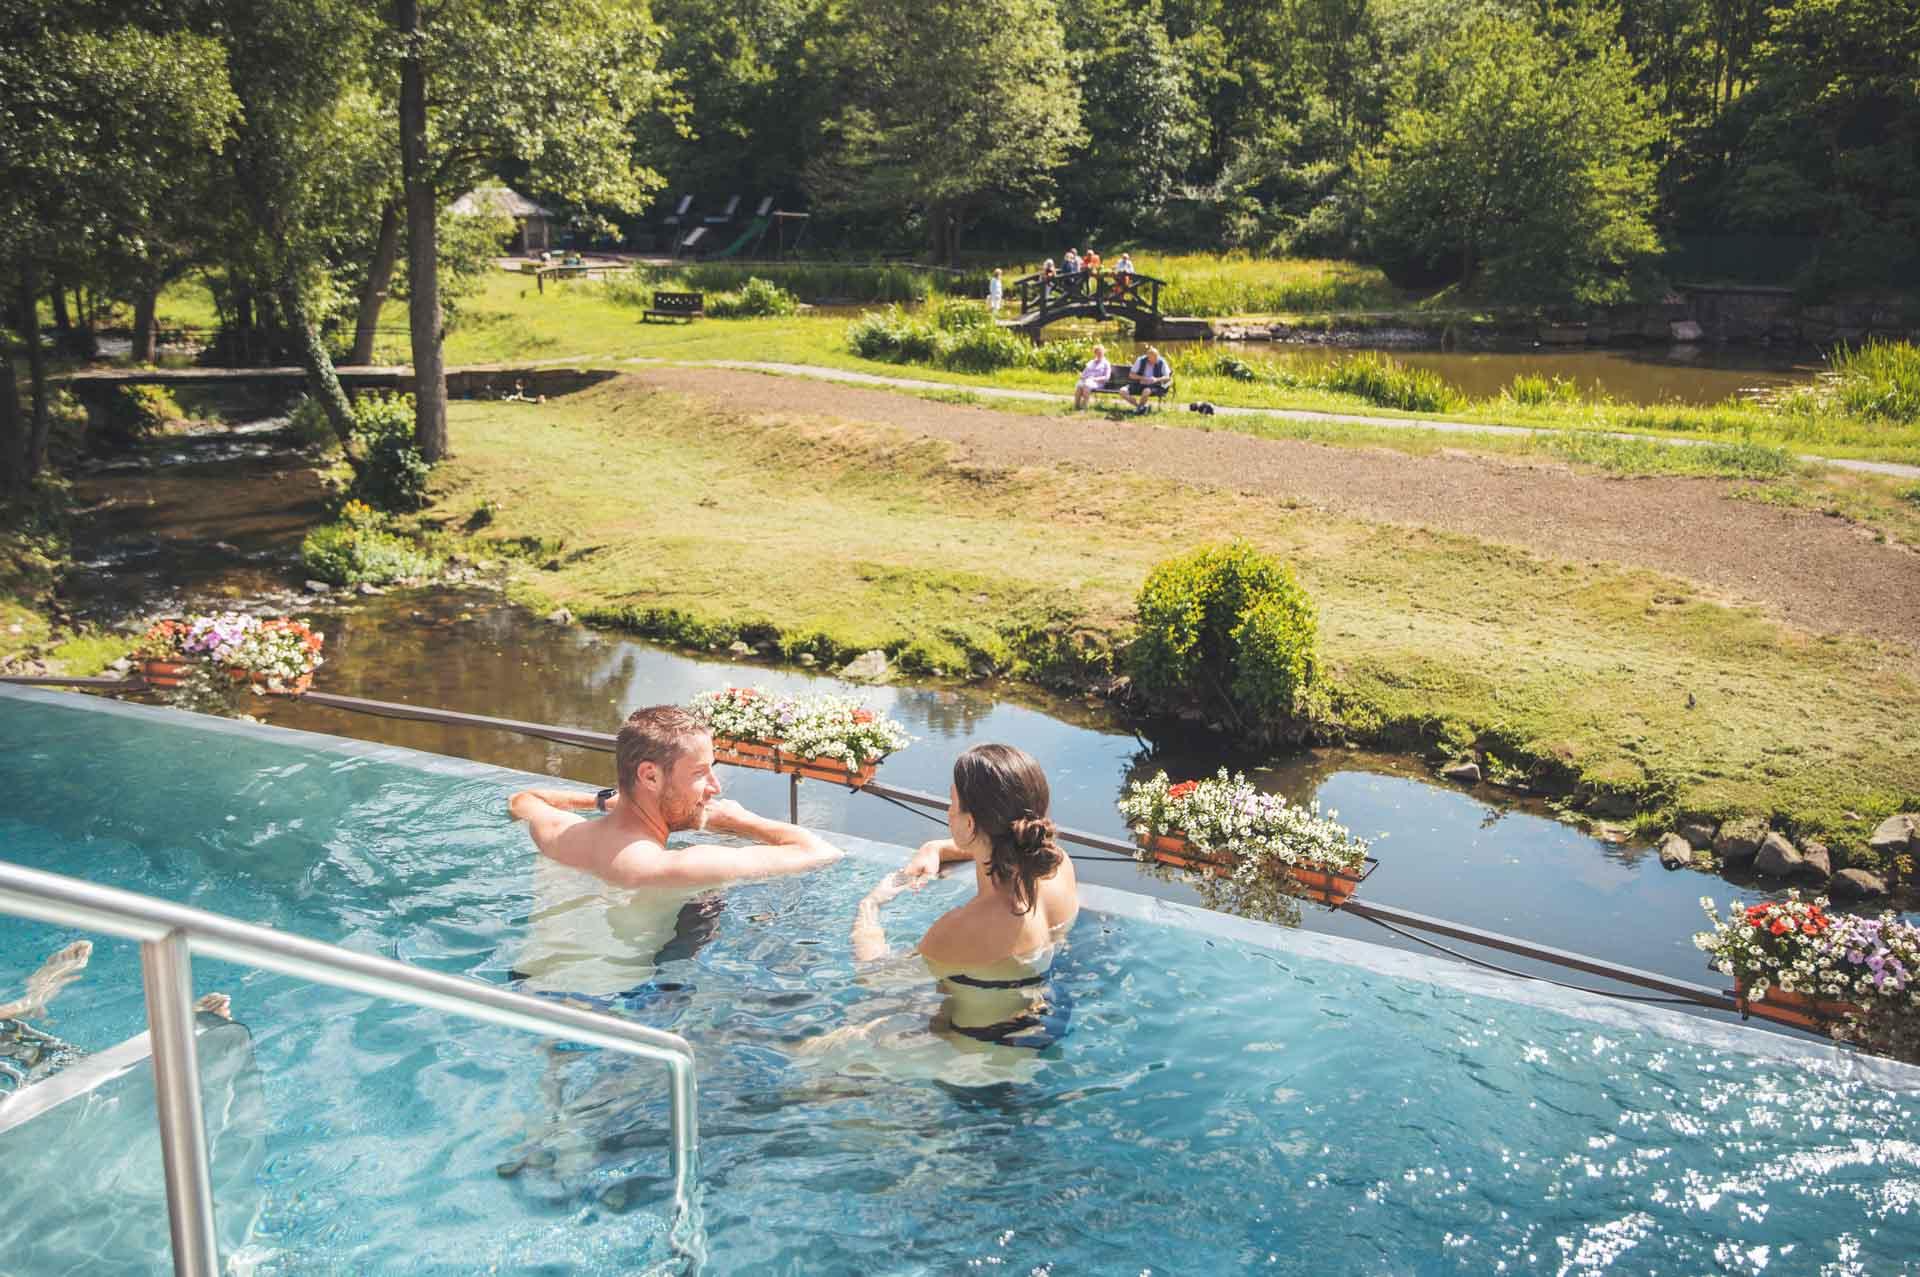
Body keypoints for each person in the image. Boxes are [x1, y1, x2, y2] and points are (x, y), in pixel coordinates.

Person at [507, 705, 843, 999]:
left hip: (525, 989)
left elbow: (524, 800)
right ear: (649, 776)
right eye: (700, 773)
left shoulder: (561, 833)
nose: (715, 787)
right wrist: (742, 821)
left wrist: (609, 800)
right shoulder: (677, 866)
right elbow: (820, 851)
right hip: (602, 1010)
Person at [849, 744, 1079, 1047]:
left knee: (816, 1052)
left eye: (952, 802)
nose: (947, 810)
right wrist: (937, 848)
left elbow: (876, 978)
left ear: (970, 823)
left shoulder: (962, 927)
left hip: (978, 1064)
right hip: (1043, 1020)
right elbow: (998, 843)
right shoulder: (1058, 866)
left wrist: (869, 909)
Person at [1126, 344, 1172, 413]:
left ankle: (1139, 409)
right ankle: (1140, 407)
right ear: (1148, 357)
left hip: (1155, 386)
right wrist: (1143, 378)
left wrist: (1157, 379)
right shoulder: (1141, 360)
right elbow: (1131, 375)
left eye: (1156, 358)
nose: (1154, 361)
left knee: (1146, 391)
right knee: (1122, 391)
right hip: (1140, 384)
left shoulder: (1162, 361)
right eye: (1152, 359)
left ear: (1158, 356)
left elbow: (1167, 377)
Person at [1072, 343, 1113, 410]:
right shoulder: (1091, 362)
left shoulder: (1106, 363)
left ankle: (1084, 407)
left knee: (1087, 385)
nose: (1099, 354)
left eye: (1100, 352)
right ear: (1095, 353)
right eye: (1097, 352)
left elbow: (1107, 377)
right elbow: (1084, 373)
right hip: (1087, 380)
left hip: (1098, 383)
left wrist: (1094, 379)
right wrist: (1082, 376)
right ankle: (1076, 406)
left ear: (1103, 353)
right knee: (1079, 385)